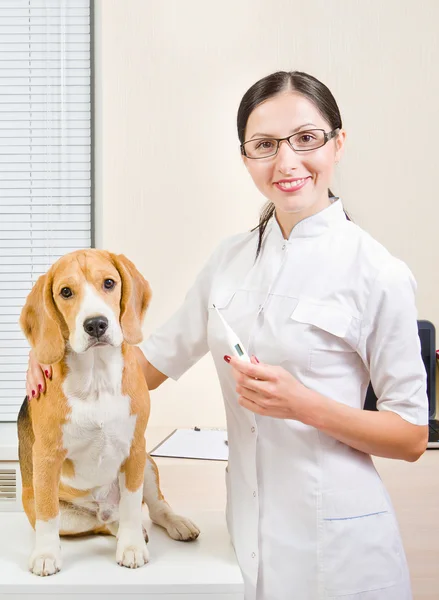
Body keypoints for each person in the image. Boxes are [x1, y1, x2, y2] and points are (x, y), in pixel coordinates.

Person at [26, 71, 428, 600]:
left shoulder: (379, 273)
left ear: (338, 143)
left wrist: (302, 404)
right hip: (246, 535)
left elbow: (411, 436)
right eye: (264, 145)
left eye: (306, 139)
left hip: (341, 544)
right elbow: (148, 365)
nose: (286, 162)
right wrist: (52, 359)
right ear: (245, 157)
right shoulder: (228, 263)